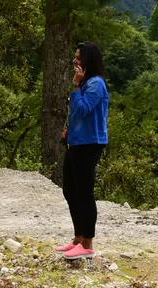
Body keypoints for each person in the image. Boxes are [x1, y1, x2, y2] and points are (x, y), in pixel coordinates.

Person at [54, 41, 109, 260]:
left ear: (89, 60)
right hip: (76, 142)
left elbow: (83, 109)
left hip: (90, 144)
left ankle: (87, 244)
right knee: (70, 190)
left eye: (78, 57)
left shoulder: (96, 84)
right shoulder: (86, 82)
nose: (74, 61)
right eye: (75, 57)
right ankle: (77, 239)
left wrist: (76, 86)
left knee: (84, 192)